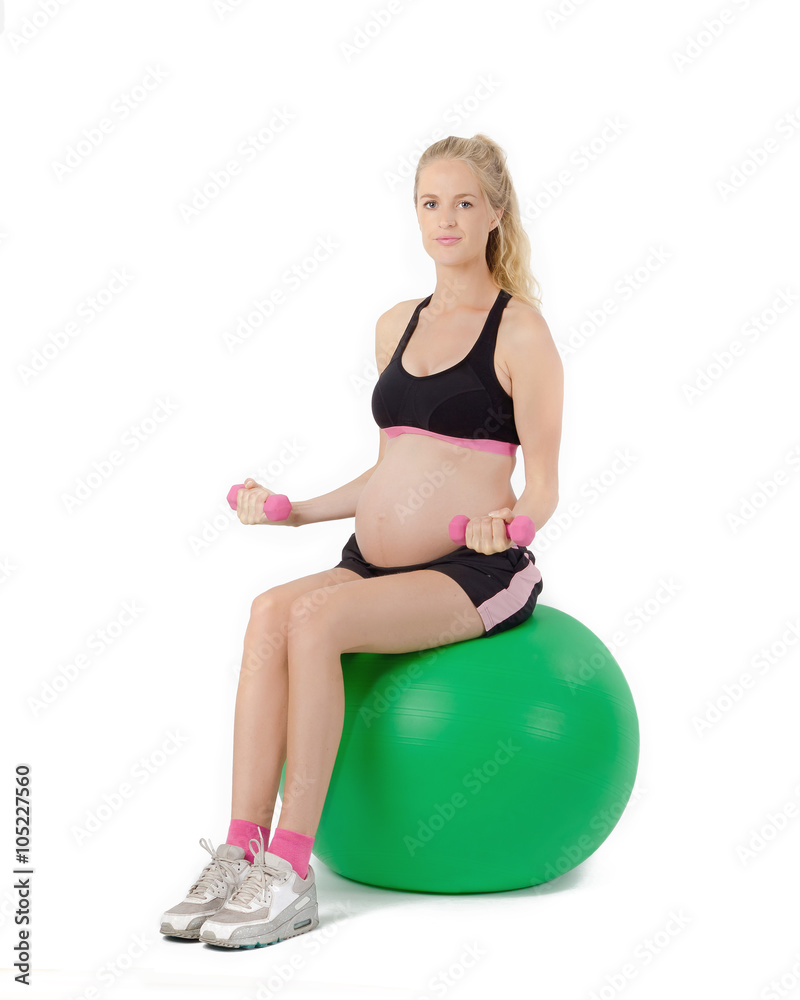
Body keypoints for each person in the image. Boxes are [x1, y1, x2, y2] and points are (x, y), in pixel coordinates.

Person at [160, 133, 564, 949]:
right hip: (374, 563)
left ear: (494, 213)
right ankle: (241, 850)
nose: (445, 218)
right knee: (269, 611)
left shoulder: (521, 332)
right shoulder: (395, 327)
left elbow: (545, 485)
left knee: (318, 622)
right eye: (429, 202)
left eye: (463, 202)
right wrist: (296, 511)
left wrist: (512, 524)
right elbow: (391, 470)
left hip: (477, 569)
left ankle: (291, 870)